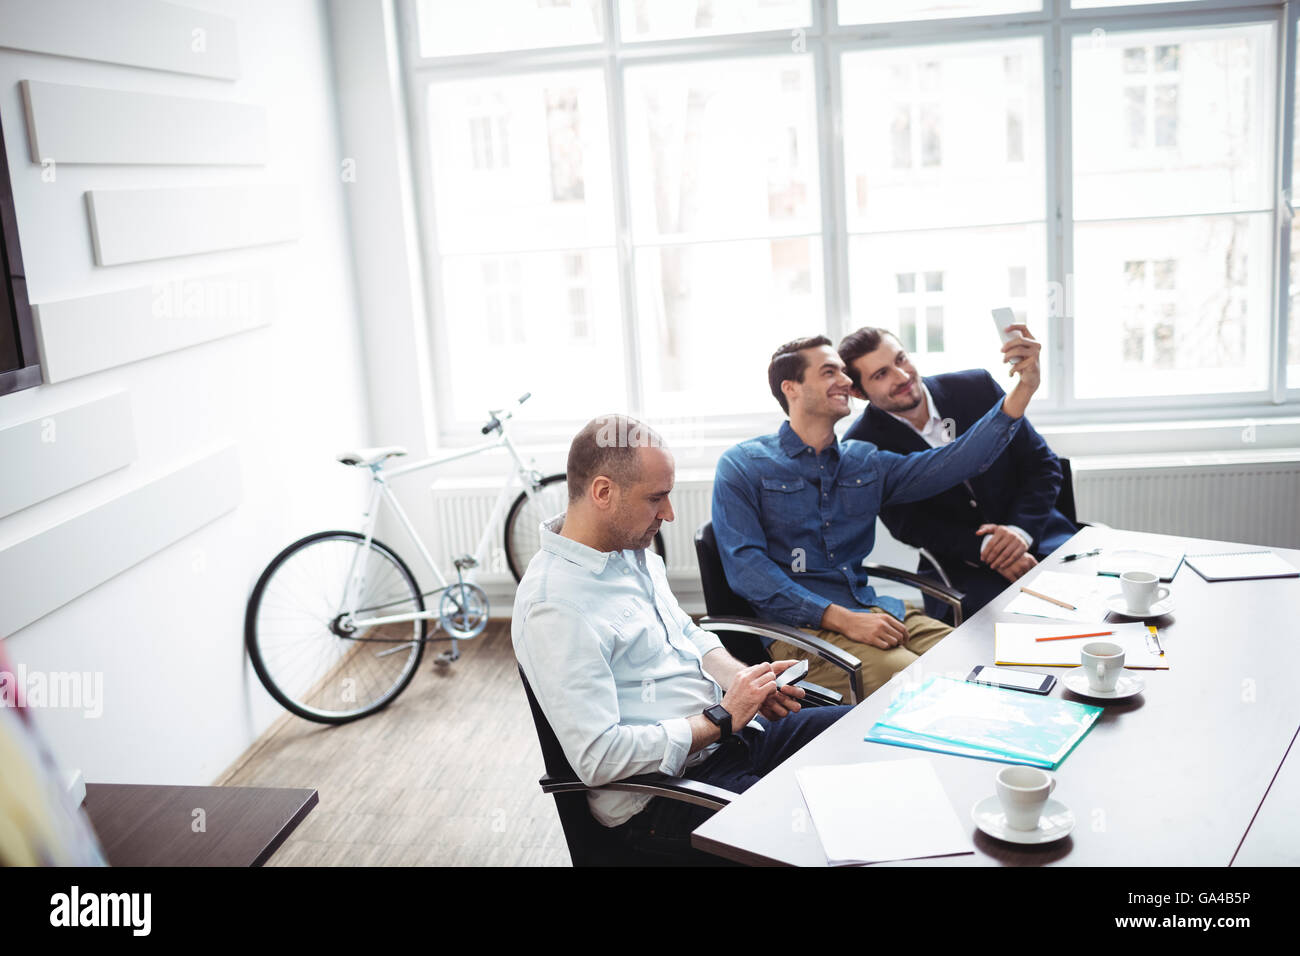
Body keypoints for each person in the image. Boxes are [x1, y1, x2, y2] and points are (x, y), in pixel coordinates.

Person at [512, 414, 849, 865]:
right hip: (666, 799)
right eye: (657, 497)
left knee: (860, 738)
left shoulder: (629, 550)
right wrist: (721, 718)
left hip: (729, 739)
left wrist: (743, 682)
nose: (668, 513)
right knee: (824, 832)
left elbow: (686, 633)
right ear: (603, 493)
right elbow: (599, 758)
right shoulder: (555, 606)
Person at [712, 327, 1042, 699]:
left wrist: (1024, 388)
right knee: (926, 687)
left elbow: (956, 460)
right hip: (803, 634)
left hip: (877, 612)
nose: (845, 381)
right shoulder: (744, 465)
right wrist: (840, 618)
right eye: (829, 372)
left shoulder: (865, 461)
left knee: (982, 660)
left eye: (843, 371)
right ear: (791, 388)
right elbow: (748, 571)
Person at [838, 326, 1078, 623]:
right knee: (998, 635)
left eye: (901, 359)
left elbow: (1043, 465)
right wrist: (990, 549)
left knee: (1103, 606)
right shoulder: (861, 446)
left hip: (1042, 535)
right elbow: (909, 526)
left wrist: (1019, 532)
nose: (901, 377)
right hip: (962, 566)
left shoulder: (977, 387)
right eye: (881, 374)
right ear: (858, 392)